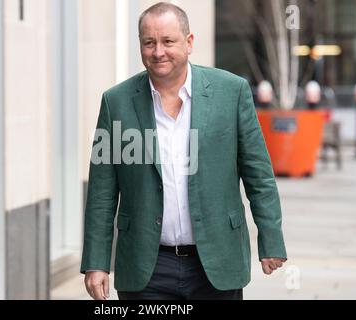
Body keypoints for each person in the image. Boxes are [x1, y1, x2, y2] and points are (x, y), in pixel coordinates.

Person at [81, 2, 287, 300]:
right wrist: (96, 262)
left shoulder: (231, 92)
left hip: (216, 262)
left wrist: (271, 240)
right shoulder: (116, 102)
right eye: (149, 42)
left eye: (168, 41)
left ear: (189, 43)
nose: (158, 51)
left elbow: (259, 176)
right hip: (145, 268)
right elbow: (102, 191)